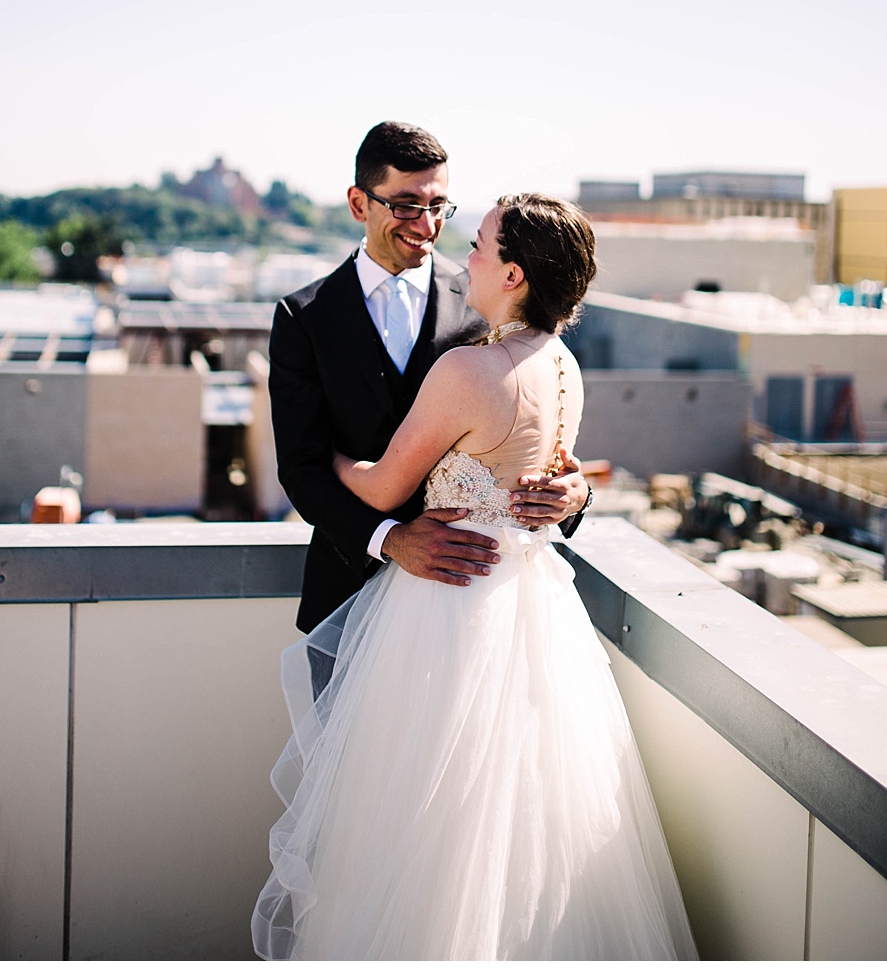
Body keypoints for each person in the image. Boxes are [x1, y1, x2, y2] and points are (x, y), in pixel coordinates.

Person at [252, 192, 698, 960]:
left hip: (446, 612)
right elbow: (547, 474)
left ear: (516, 274)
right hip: (532, 608)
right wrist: (575, 489)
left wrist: (320, 457)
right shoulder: (564, 366)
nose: (466, 256)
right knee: (516, 822)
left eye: (483, 246)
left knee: (420, 823)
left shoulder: (470, 366)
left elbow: (387, 486)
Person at [268, 121, 591, 634]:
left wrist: (574, 497)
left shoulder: (493, 302)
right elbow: (300, 468)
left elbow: (530, 437)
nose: (426, 225)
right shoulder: (302, 316)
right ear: (359, 204)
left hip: (472, 597)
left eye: (438, 206)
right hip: (344, 585)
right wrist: (390, 539)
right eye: (406, 206)